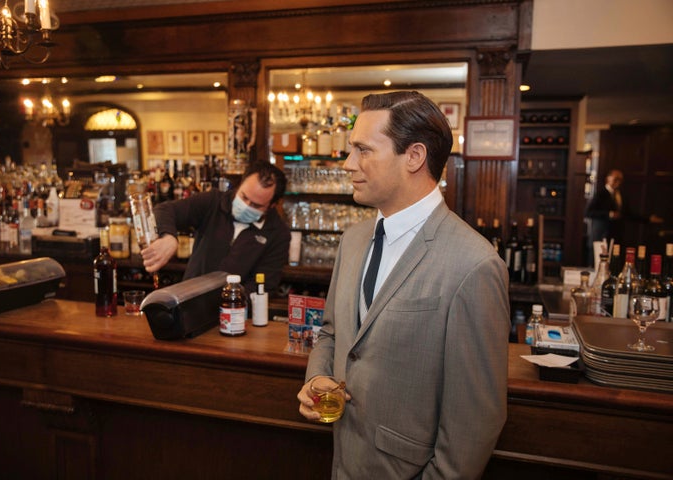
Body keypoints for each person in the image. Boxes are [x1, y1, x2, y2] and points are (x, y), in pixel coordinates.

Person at [297, 91, 510, 479]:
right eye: (350, 150)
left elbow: (475, 422)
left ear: (414, 156)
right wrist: (317, 377)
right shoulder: (353, 239)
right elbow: (330, 332)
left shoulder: (474, 264)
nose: (347, 164)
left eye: (363, 150)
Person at [141, 161, 291, 295]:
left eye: (256, 205)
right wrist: (169, 237)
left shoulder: (278, 234)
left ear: (271, 206)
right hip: (188, 301)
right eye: (244, 197)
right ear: (240, 185)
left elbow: (263, 286)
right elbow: (164, 210)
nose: (246, 206)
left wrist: (229, 303)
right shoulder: (214, 202)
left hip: (236, 314)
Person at [585, 169, 663, 261]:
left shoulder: (621, 195)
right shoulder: (600, 194)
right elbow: (588, 212)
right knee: (597, 263)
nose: (618, 182)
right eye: (616, 179)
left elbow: (628, 214)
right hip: (601, 236)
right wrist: (609, 214)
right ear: (608, 179)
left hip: (616, 237)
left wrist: (648, 219)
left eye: (620, 180)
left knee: (614, 263)